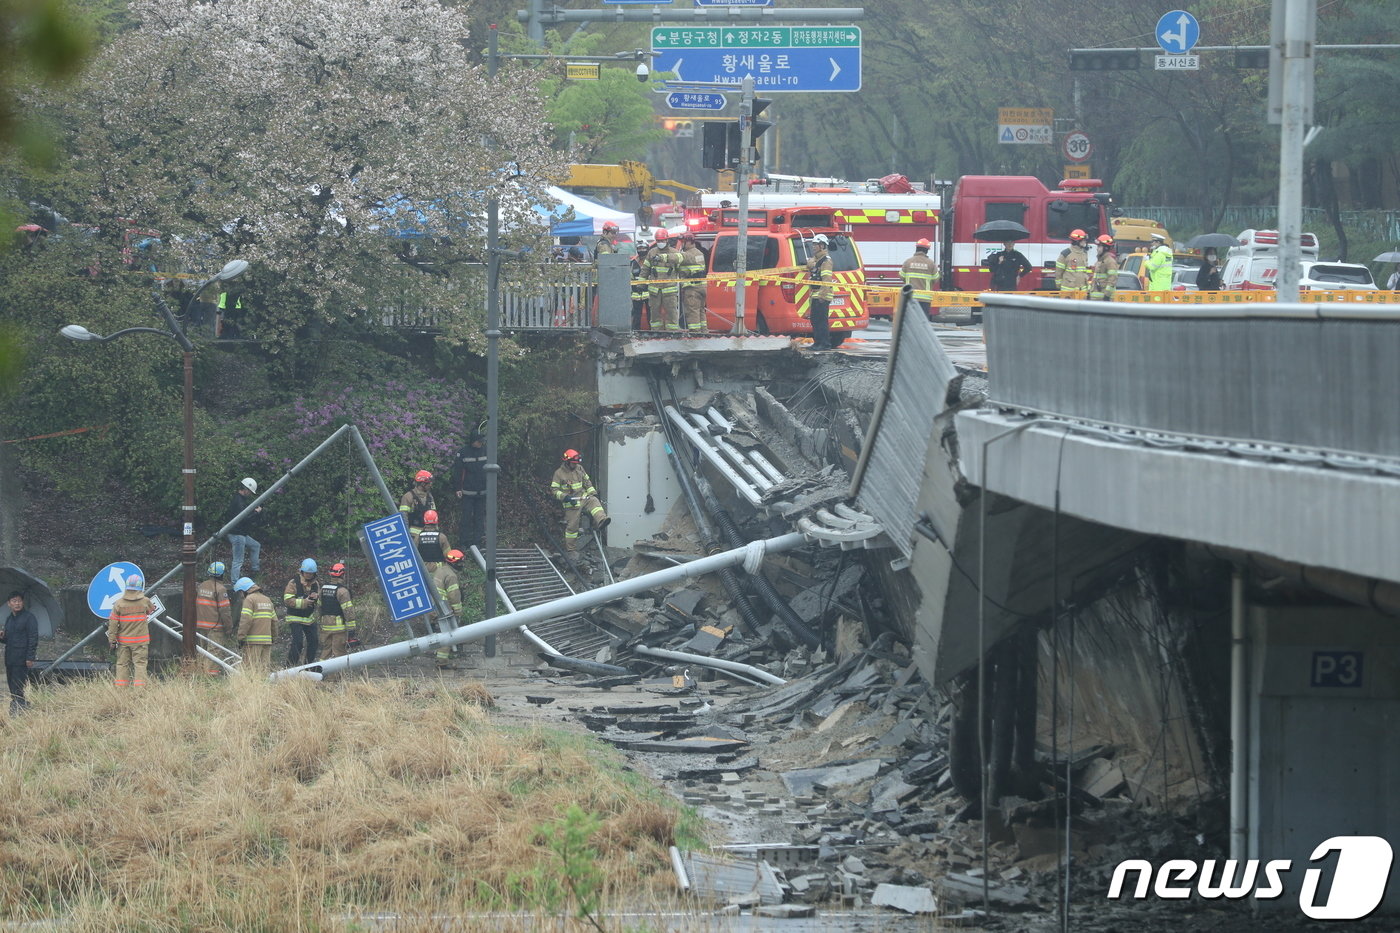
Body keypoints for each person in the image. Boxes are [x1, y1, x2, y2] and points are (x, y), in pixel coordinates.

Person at [550, 449, 610, 555]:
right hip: (571, 503)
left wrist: (593, 492)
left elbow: (587, 481)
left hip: (582, 496)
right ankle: (571, 550)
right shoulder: (559, 474)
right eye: (573, 463)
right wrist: (565, 497)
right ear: (567, 462)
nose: (575, 465)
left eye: (576, 463)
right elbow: (554, 490)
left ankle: (601, 520)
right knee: (572, 527)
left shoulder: (579, 468)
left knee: (594, 501)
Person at [107, 574, 153, 687]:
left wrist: (112, 640)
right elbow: (151, 610)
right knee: (140, 664)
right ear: (140, 587)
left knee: (122, 664)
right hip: (140, 641)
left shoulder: (119, 604)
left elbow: (112, 623)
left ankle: (121, 689)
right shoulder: (145, 601)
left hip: (123, 642)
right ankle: (140, 691)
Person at [195, 561, 233, 675]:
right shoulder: (221, 589)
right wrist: (229, 627)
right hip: (216, 627)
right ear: (222, 574)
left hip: (201, 626)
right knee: (214, 652)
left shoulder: (201, 586)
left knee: (203, 651)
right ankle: (211, 676)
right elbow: (225, 611)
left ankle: (202, 673)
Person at [3, 591, 38, 712]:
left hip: (22, 658)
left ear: (22, 602)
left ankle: (19, 710)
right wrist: (2, 636)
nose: (17, 603)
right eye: (14, 601)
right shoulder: (9, 619)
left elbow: (33, 638)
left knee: (18, 685)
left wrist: (30, 657)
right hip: (10, 658)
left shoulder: (29, 618)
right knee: (11, 686)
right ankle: (18, 707)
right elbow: (8, 639)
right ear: (9, 604)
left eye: (19, 601)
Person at [452, 427, 487, 550]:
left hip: (482, 492)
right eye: (479, 441)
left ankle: (477, 542)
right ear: (473, 440)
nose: (480, 443)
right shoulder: (463, 452)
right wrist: (458, 488)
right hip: (467, 493)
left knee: (479, 518)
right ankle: (464, 542)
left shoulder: (485, 451)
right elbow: (457, 472)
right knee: (466, 518)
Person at [644, 229, 684, 331]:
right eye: (658, 241)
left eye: (662, 241)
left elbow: (681, 268)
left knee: (671, 313)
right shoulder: (651, 253)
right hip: (654, 291)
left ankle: (672, 333)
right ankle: (656, 332)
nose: (660, 243)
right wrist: (641, 282)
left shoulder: (674, 253)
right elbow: (645, 268)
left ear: (667, 241)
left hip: (669, 291)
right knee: (655, 314)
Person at [317, 562, 356, 667]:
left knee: (326, 652)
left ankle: (321, 674)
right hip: (338, 628)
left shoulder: (323, 589)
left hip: (325, 626)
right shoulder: (342, 591)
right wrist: (351, 629)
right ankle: (334, 678)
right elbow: (348, 611)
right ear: (343, 574)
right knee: (339, 653)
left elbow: (319, 607)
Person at [432, 549, 466, 666]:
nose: (462, 565)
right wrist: (457, 611)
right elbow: (454, 596)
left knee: (439, 632)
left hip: (434, 607)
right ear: (454, 562)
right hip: (444, 609)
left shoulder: (441, 569)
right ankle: (442, 661)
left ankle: (437, 653)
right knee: (447, 634)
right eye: (460, 562)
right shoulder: (451, 576)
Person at [284, 558, 320, 667]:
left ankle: (307, 667)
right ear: (302, 572)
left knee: (314, 642)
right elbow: (287, 600)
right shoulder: (293, 583)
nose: (309, 575)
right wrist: (304, 602)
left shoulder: (316, 584)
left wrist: (316, 598)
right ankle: (289, 667)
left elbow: (319, 601)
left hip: (309, 618)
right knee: (298, 643)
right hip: (295, 618)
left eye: (311, 573)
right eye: (307, 573)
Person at [226, 477, 263, 582]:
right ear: (245, 489)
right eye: (250, 492)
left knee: (256, 545)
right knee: (238, 560)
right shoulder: (239, 501)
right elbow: (244, 519)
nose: (250, 494)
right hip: (237, 535)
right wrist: (256, 513)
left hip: (240, 534)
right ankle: (234, 583)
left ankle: (255, 570)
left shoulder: (239, 499)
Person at [234, 577, 275, 672]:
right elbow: (274, 621)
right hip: (267, 642)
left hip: (252, 643)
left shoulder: (249, 600)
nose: (241, 596)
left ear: (243, 590)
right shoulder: (267, 599)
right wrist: (273, 637)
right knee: (263, 671)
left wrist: (241, 638)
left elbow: (245, 621)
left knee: (249, 671)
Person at [806, 233, 836, 349]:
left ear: (822, 246)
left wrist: (822, 296)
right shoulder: (817, 259)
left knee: (821, 321)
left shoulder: (826, 261)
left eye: (816, 245)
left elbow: (826, 279)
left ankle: (824, 343)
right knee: (815, 320)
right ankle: (818, 342)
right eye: (813, 244)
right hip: (815, 294)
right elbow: (811, 264)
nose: (813, 247)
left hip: (822, 296)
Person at [899, 238, 940, 315]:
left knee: (911, 320)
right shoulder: (931, 263)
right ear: (927, 250)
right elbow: (936, 278)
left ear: (916, 248)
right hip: (925, 299)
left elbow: (901, 276)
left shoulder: (908, 262)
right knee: (922, 321)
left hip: (910, 297)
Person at [678, 232, 709, 333]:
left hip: (692, 289)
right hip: (701, 287)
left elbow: (675, 259)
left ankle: (695, 333)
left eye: (683, 242)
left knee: (692, 311)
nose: (682, 244)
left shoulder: (687, 254)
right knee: (700, 311)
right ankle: (704, 331)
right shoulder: (699, 253)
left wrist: (663, 257)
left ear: (689, 242)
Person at [399, 469, 436, 543]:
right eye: (429, 483)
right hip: (413, 537)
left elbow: (434, 516)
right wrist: (406, 536)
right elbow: (403, 518)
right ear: (423, 484)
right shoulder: (408, 497)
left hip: (428, 537)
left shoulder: (430, 497)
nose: (431, 485)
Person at [1054, 229, 1092, 294]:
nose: (1085, 242)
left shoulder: (1084, 253)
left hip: (1082, 290)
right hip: (1069, 290)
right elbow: (1058, 272)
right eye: (1083, 240)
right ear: (1077, 241)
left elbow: (1084, 271)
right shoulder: (1066, 253)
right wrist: (1059, 286)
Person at [1090, 234, 1120, 301]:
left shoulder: (1110, 262)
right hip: (1095, 300)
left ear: (1105, 248)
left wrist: (1107, 295)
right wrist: (1089, 292)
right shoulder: (1099, 261)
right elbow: (1095, 280)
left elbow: (1113, 279)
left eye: (1099, 246)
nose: (1097, 249)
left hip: (1103, 300)